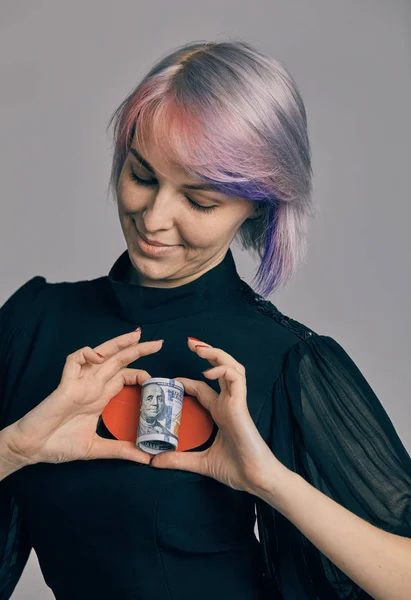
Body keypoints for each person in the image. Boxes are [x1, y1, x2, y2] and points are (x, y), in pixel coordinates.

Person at [0, 38, 410, 600]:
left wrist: (268, 480)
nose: (155, 217)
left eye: (200, 201)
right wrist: (18, 449)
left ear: (257, 205)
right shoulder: (33, 322)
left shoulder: (284, 359)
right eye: (142, 176)